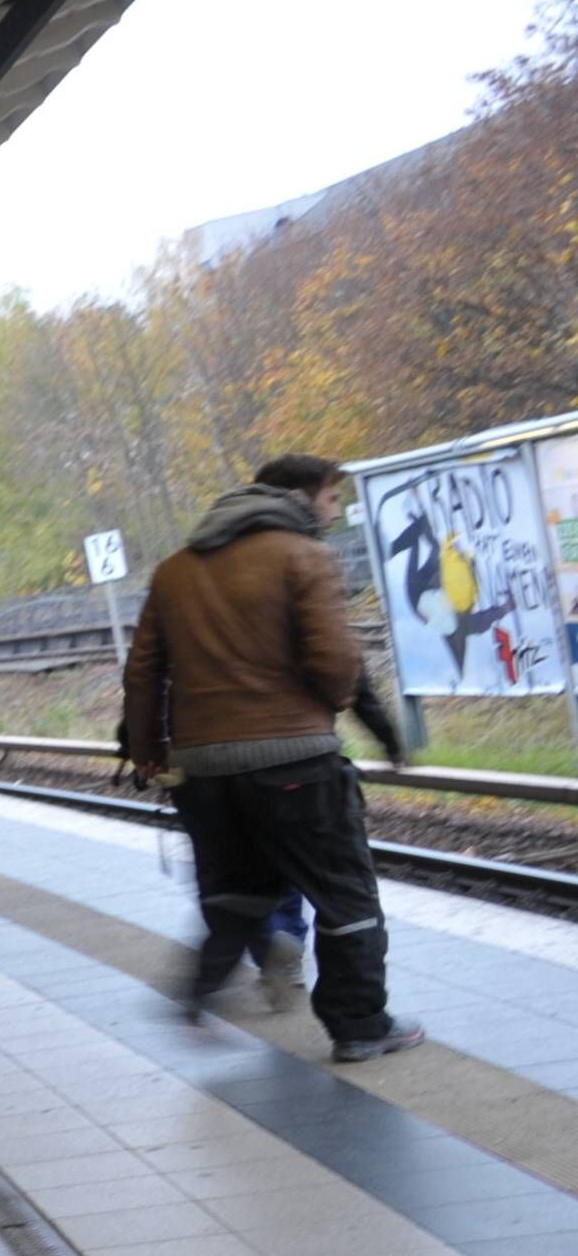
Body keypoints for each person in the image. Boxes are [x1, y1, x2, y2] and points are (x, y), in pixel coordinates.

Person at [120, 454, 423, 1059]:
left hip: (203, 771)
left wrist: (148, 750)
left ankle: (197, 994)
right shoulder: (304, 557)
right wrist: (337, 712)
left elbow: (144, 671)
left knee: (236, 894)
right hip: (295, 761)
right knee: (345, 897)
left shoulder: (175, 570)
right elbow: (337, 665)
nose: (334, 512)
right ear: (301, 498)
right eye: (331, 499)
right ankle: (360, 1027)